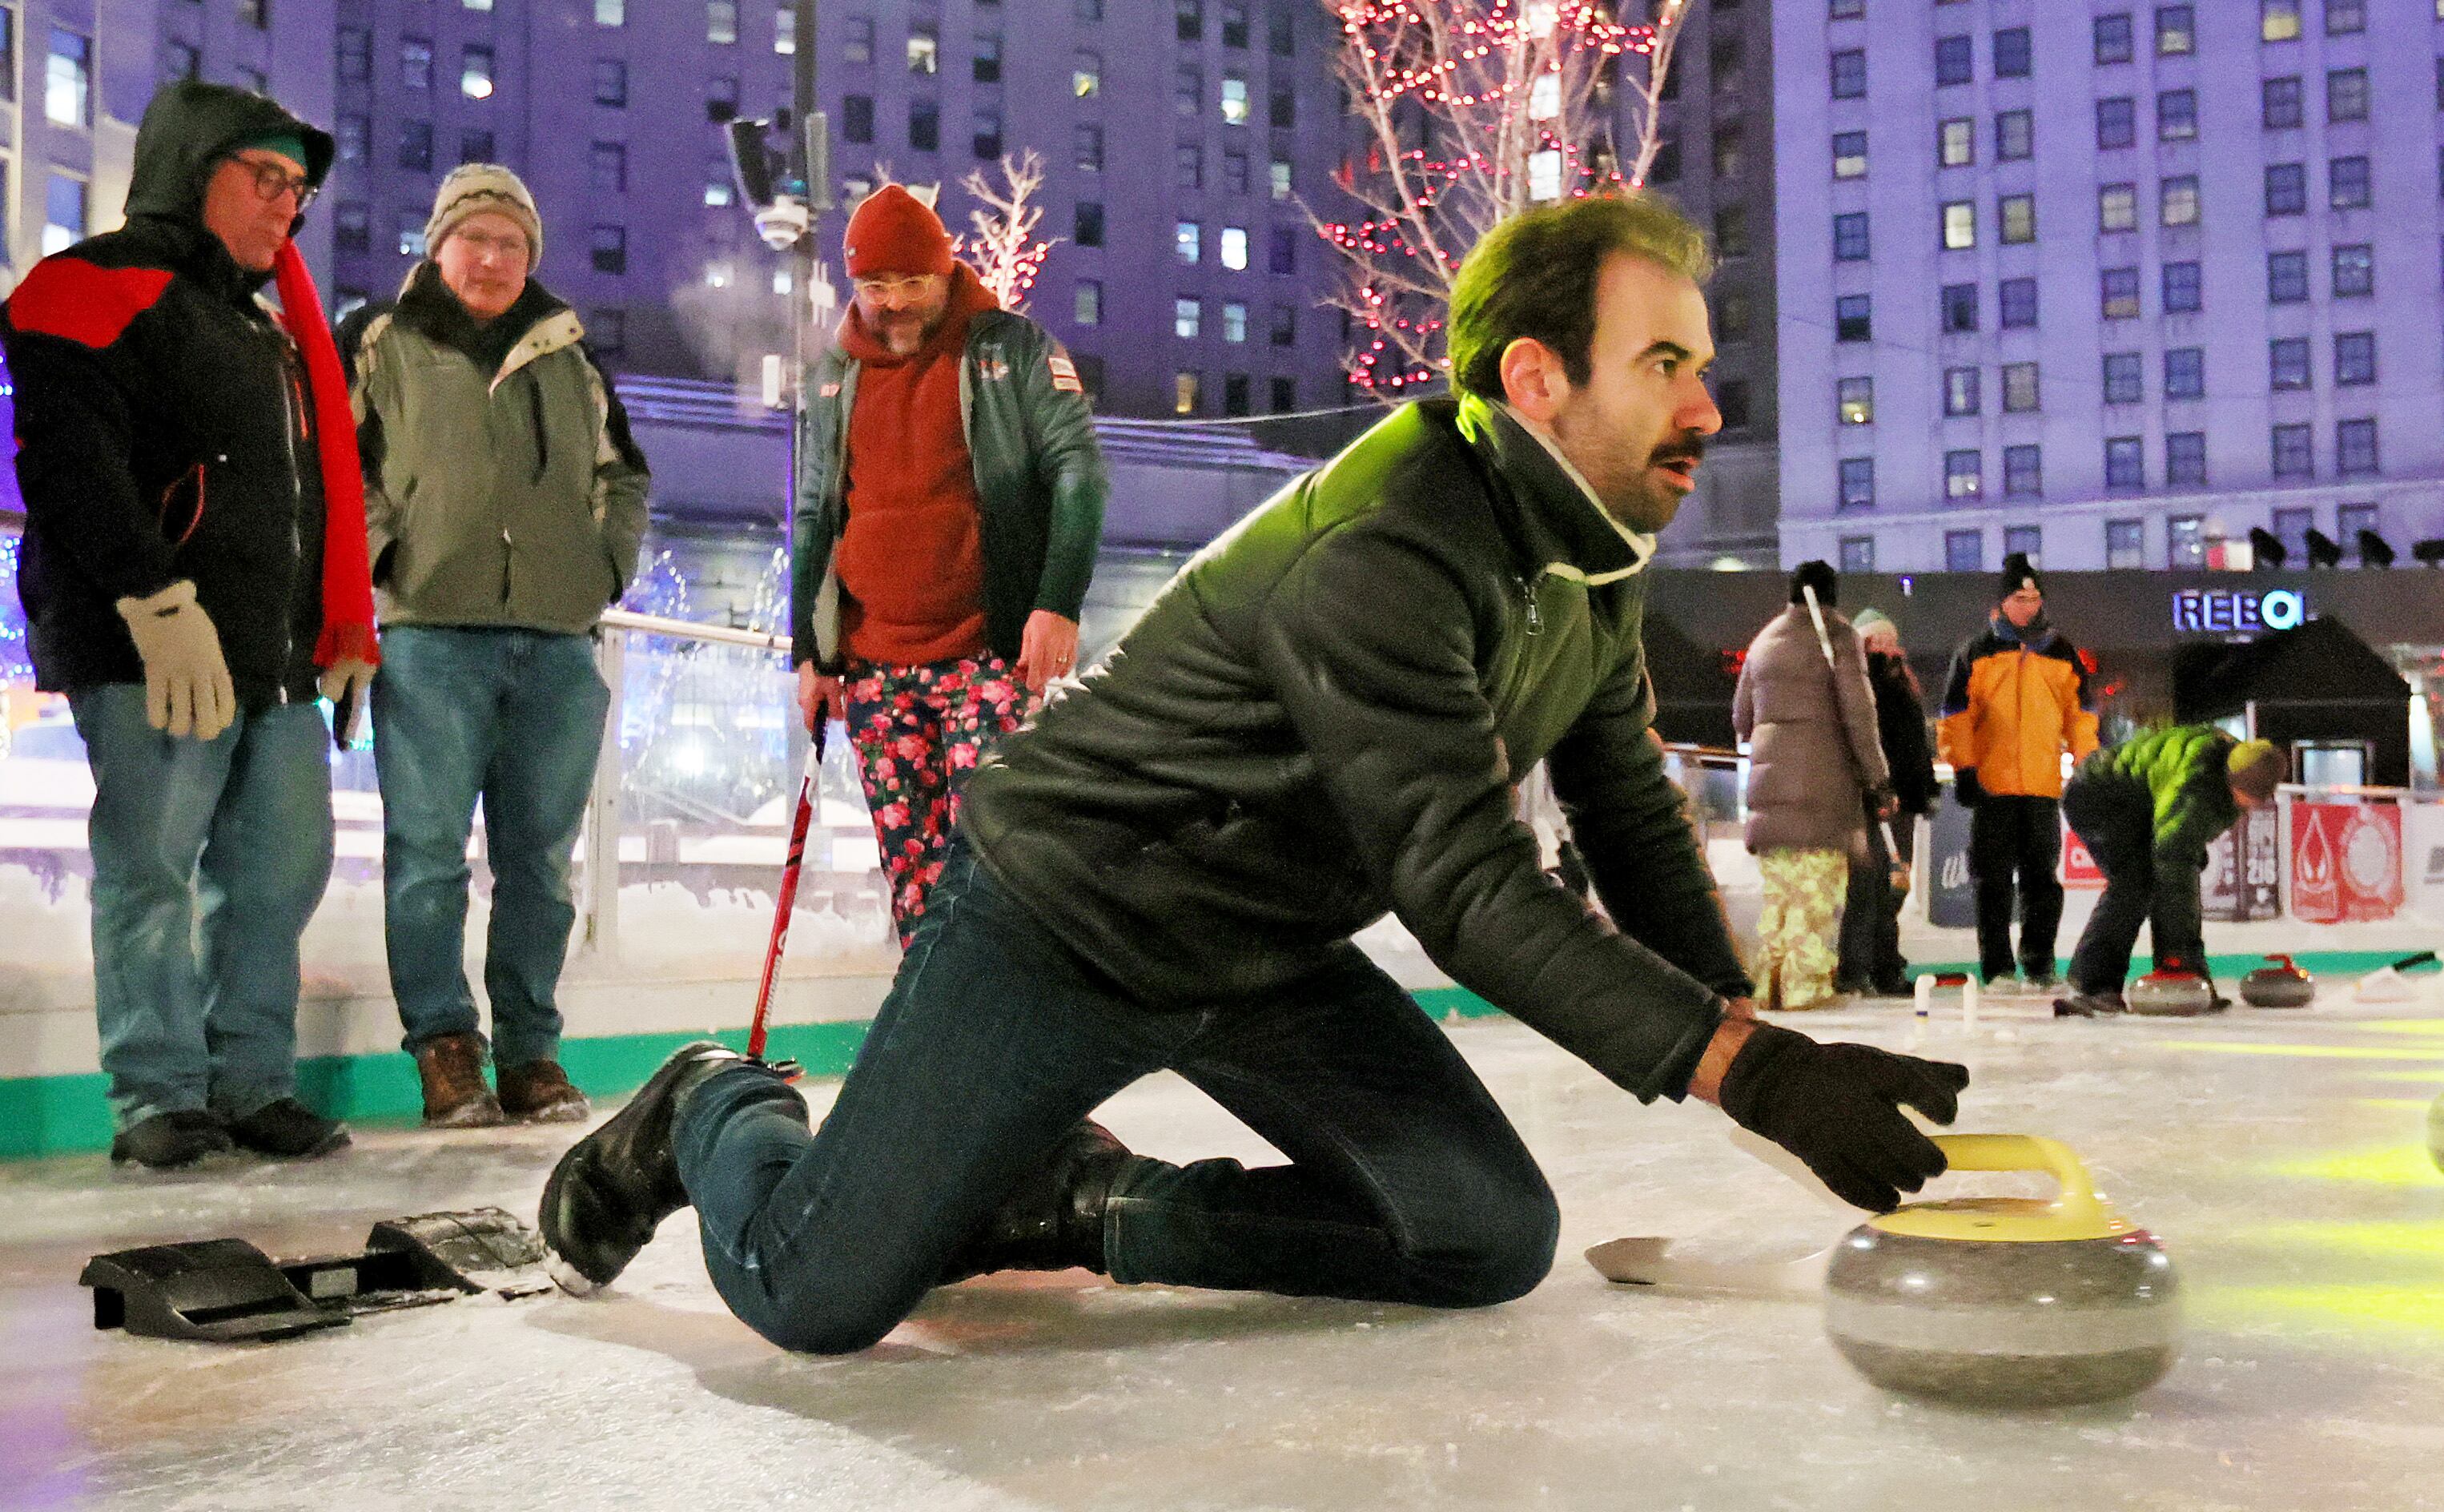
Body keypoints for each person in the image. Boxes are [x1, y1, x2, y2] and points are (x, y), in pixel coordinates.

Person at [539, 195, 1969, 1353]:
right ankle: (708, 1101)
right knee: (812, 1293)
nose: (1707, 406)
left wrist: (1752, 1032)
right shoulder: (1390, 542)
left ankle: (1081, 1206)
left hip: (1262, 945)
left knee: (1478, 1233)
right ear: (1538, 377)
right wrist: (1751, 1074)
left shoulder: (1583, 555)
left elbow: (1628, 817)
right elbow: (1465, 884)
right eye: (1666, 364)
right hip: (1069, 917)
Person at [1, 82, 373, 1168]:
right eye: (267, 178)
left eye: (299, 189)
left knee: (278, 875)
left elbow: (304, 500)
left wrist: (337, 624)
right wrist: (154, 600)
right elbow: (68, 462)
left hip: (273, 654)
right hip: (149, 646)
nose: (287, 206)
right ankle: (157, 1094)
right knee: (152, 872)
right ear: (192, 167)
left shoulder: (271, 330)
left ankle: (252, 1083)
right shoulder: (88, 285)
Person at [348, 164, 650, 1128]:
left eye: (510, 243)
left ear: (531, 256)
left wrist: (601, 568)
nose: (491, 258)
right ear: (439, 246)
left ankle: (530, 1052)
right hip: (431, 636)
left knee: (539, 866)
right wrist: (389, 556)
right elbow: (343, 468)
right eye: (474, 238)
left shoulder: (568, 355)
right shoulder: (384, 340)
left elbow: (623, 474)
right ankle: (445, 1050)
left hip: (556, 643)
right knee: (427, 856)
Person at [789, 185, 1107, 947]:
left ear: (945, 270)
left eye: (913, 282)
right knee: (914, 879)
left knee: (993, 867)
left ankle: (1007, 1012)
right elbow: (814, 517)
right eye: (876, 286)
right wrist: (811, 653)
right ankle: (932, 1013)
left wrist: (1057, 601)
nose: (895, 302)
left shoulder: (1013, 350)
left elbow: (1079, 470)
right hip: (874, 668)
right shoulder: (834, 375)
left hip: (986, 656)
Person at [1732, 562, 1892, 1011]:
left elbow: (1741, 718)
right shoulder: (1837, 638)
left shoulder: (1764, 641)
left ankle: (1770, 988)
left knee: (1780, 901)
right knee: (1815, 898)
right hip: (1823, 796)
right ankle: (1804, 989)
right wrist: (1878, 778)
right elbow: (1859, 717)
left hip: (1769, 797)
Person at [1938, 553, 2096, 991]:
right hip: (1993, 787)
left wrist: (2087, 763)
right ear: (2003, 602)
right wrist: (1964, 768)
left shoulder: (2061, 652)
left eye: (2034, 598)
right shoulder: (1976, 652)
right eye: (2020, 598)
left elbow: (2081, 716)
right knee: (1992, 883)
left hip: (2042, 787)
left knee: (2042, 881)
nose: (2028, 606)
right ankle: (1997, 968)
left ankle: (2039, 964)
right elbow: (1955, 717)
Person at [2054, 730, 2285, 1016]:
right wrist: (2185, 968)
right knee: (2136, 882)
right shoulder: (2196, 780)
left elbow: (2180, 848)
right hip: (2097, 795)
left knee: (2159, 877)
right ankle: (2092, 985)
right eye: (2246, 796)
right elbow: (2174, 861)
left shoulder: (2234, 767)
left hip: (2135, 802)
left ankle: (2166, 971)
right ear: (2232, 781)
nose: (2249, 805)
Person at [1836, 608, 1939, 996]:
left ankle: (1884, 966)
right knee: (1868, 884)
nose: (1887, 646)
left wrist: (1923, 788)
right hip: (1873, 799)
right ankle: (1856, 968)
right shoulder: (1860, 679)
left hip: (1902, 801)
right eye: (1877, 640)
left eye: (1890, 639)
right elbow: (1868, 737)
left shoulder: (1901, 681)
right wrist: (1879, 788)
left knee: (1893, 887)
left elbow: (1912, 743)